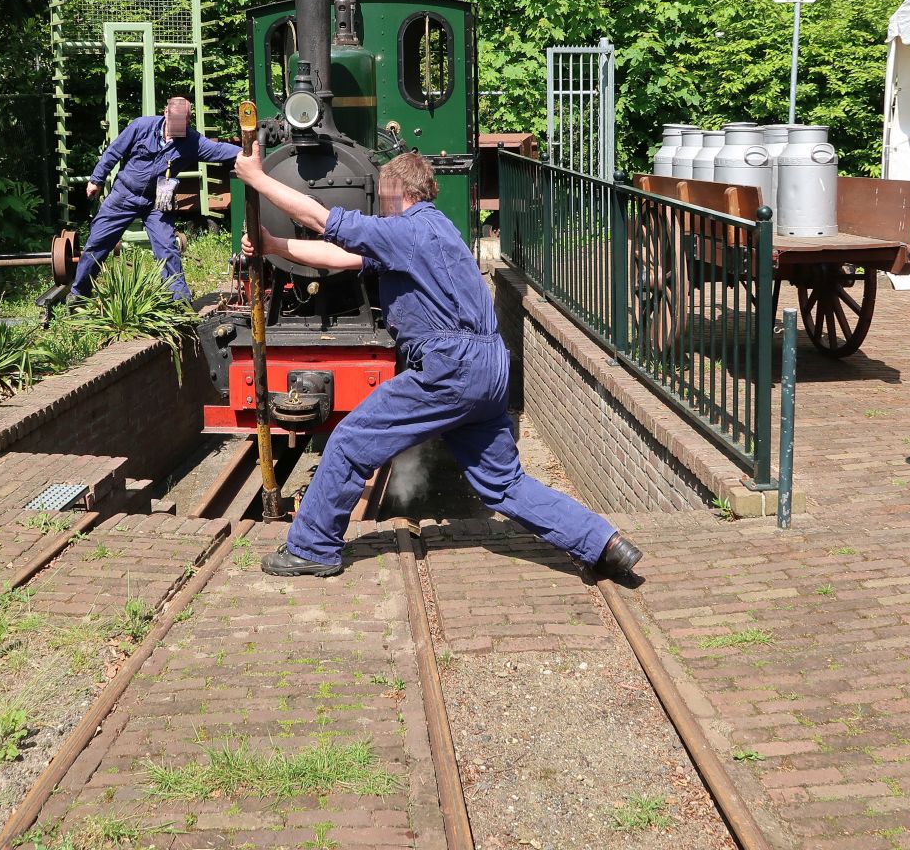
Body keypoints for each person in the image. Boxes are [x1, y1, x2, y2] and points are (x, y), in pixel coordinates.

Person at [233, 142, 643, 580]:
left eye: (382, 194)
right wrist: (275, 244)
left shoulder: (407, 231)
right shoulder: (436, 230)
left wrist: (258, 179)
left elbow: (322, 220)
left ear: (396, 190)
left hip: (451, 367)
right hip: (489, 367)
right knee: (504, 485)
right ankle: (604, 543)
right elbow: (341, 256)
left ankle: (313, 547)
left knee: (351, 442)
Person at [70, 97, 239, 304]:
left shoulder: (191, 141)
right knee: (97, 243)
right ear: (165, 113)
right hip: (124, 195)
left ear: (189, 120)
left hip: (157, 202)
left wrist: (250, 152)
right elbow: (114, 152)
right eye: (175, 120)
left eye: (184, 121)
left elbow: (220, 150)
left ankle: (179, 302)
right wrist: (96, 180)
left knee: (167, 248)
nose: (179, 126)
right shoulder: (142, 126)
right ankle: (79, 295)